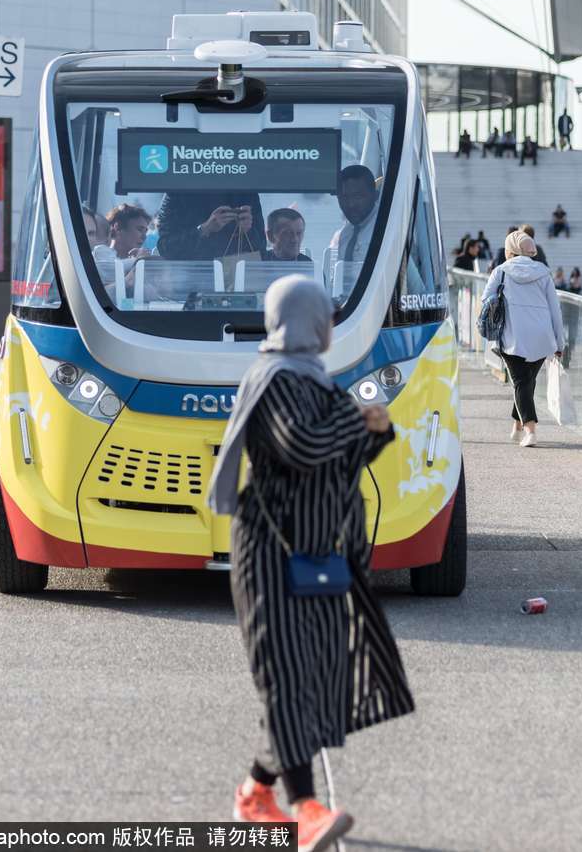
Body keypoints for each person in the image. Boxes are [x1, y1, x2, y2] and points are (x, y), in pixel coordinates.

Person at [208, 276, 413, 846]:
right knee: (285, 673)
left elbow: (341, 456)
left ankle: (255, 792)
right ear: (305, 319)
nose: (330, 324)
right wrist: (357, 418)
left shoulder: (314, 378)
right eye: (324, 314)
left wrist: (376, 431)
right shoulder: (274, 380)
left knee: (312, 676)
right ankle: (305, 808)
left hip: (316, 551)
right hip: (271, 552)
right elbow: (302, 446)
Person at [482, 230, 564, 447]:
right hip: (542, 337)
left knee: (521, 382)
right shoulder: (544, 273)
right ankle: (517, 426)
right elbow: (555, 310)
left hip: (512, 336)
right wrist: (560, 342)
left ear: (511, 249)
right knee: (527, 382)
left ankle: (530, 430)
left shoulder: (501, 271)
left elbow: (486, 299)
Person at [157, 192, 266, 260]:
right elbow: (165, 248)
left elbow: (261, 248)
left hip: (235, 279)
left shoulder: (246, 193)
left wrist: (247, 231)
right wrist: (204, 230)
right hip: (191, 278)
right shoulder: (178, 193)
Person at [330, 165, 379, 262]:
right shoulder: (346, 234)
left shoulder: (386, 229)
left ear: (375, 195)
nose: (351, 204)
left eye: (358, 197)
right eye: (344, 197)